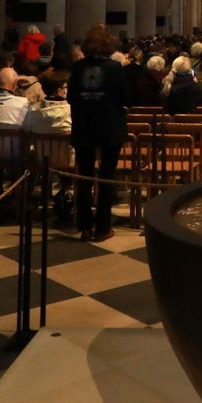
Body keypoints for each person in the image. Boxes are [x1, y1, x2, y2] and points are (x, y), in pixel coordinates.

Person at [69, 25, 129, 242]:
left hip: (84, 125)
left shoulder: (78, 67)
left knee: (84, 177)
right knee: (107, 176)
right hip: (109, 126)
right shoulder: (115, 68)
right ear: (107, 43)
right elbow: (125, 97)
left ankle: (85, 226)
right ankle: (103, 227)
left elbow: (70, 97)